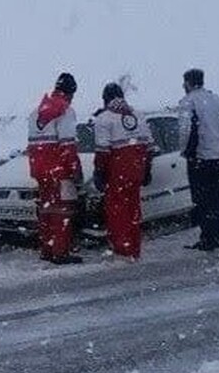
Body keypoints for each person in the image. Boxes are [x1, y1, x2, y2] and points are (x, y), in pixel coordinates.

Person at [92, 83, 154, 259]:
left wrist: (99, 172)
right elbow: (149, 147)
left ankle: (122, 248)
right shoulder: (139, 115)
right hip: (136, 170)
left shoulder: (104, 119)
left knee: (117, 211)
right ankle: (134, 247)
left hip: (116, 172)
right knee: (133, 209)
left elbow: (102, 151)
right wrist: (147, 169)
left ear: (105, 99)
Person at [27, 73, 83, 264]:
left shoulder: (36, 112)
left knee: (46, 210)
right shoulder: (66, 111)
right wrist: (75, 169)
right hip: (59, 170)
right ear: (71, 92)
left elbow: (33, 145)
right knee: (63, 211)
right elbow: (68, 145)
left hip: (39, 169)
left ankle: (47, 249)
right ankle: (61, 252)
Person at [178, 68, 219, 251]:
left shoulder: (188, 102)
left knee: (203, 199)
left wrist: (185, 151)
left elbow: (185, 130)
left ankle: (208, 238)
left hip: (201, 158)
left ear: (188, 83)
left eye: (184, 82)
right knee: (218, 197)